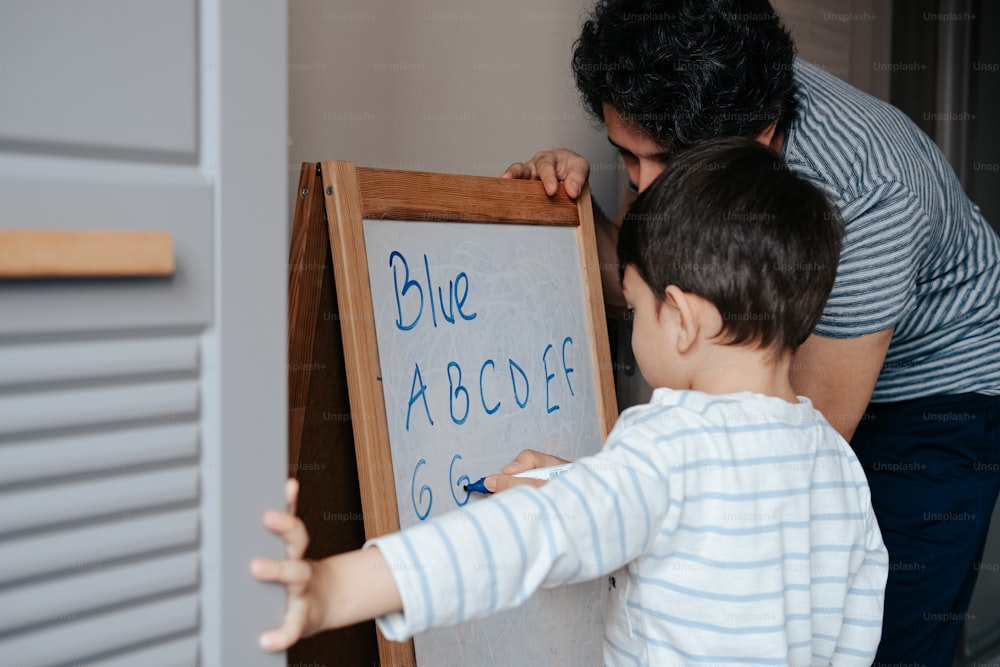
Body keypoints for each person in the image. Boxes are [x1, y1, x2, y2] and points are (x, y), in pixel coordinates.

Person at [252, 138, 888, 665]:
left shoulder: (666, 442)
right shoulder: (837, 464)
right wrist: (580, 480)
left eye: (635, 307)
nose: (632, 325)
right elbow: (851, 628)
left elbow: (522, 539)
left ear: (683, 321)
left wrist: (332, 590)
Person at [499, 1, 1000, 662]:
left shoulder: (870, 191)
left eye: (663, 164)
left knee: (897, 626)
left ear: (760, 139)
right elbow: (653, 290)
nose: (643, 189)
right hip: (802, 375)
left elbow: (776, 466)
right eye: (628, 158)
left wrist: (600, 495)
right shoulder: (693, 117)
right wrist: (569, 214)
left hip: (937, 382)